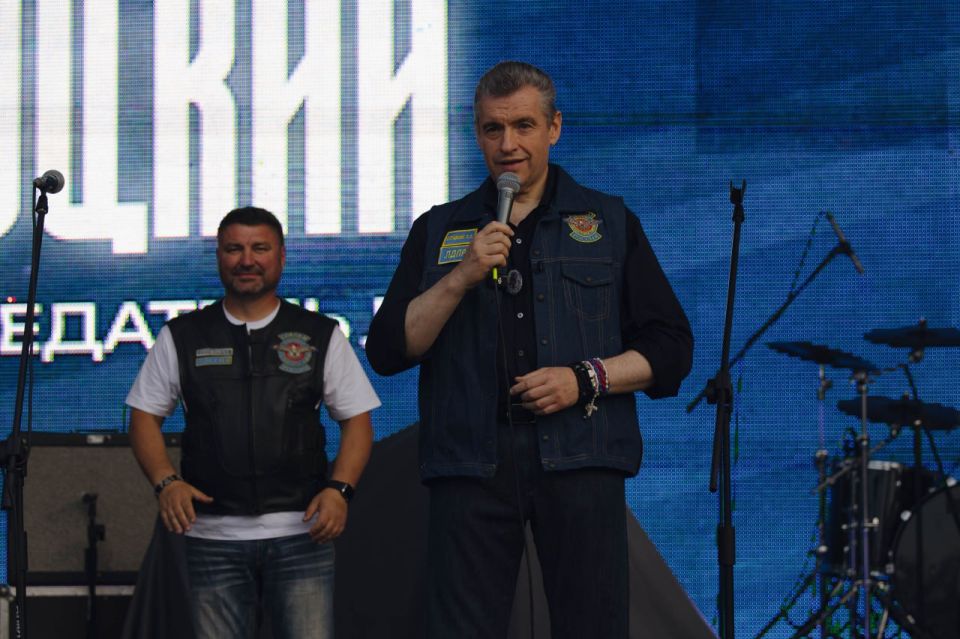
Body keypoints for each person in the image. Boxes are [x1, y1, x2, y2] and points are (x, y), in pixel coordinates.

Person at [365, 61, 693, 638]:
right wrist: (460, 276)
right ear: (477, 134)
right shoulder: (439, 229)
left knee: (593, 627)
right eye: (493, 129)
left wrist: (584, 379)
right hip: (470, 461)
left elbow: (671, 348)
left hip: (580, 454)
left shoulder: (608, 222)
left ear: (554, 128)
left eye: (523, 126)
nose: (508, 145)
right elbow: (389, 351)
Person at [126, 206, 378, 639]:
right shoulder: (183, 336)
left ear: (281, 256)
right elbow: (143, 416)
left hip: (302, 535)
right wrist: (166, 483)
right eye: (234, 249)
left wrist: (340, 491)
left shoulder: (319, 333)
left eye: (260, 248)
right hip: (212, 539)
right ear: (218, 257)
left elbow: (357, 420)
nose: (247, 260)